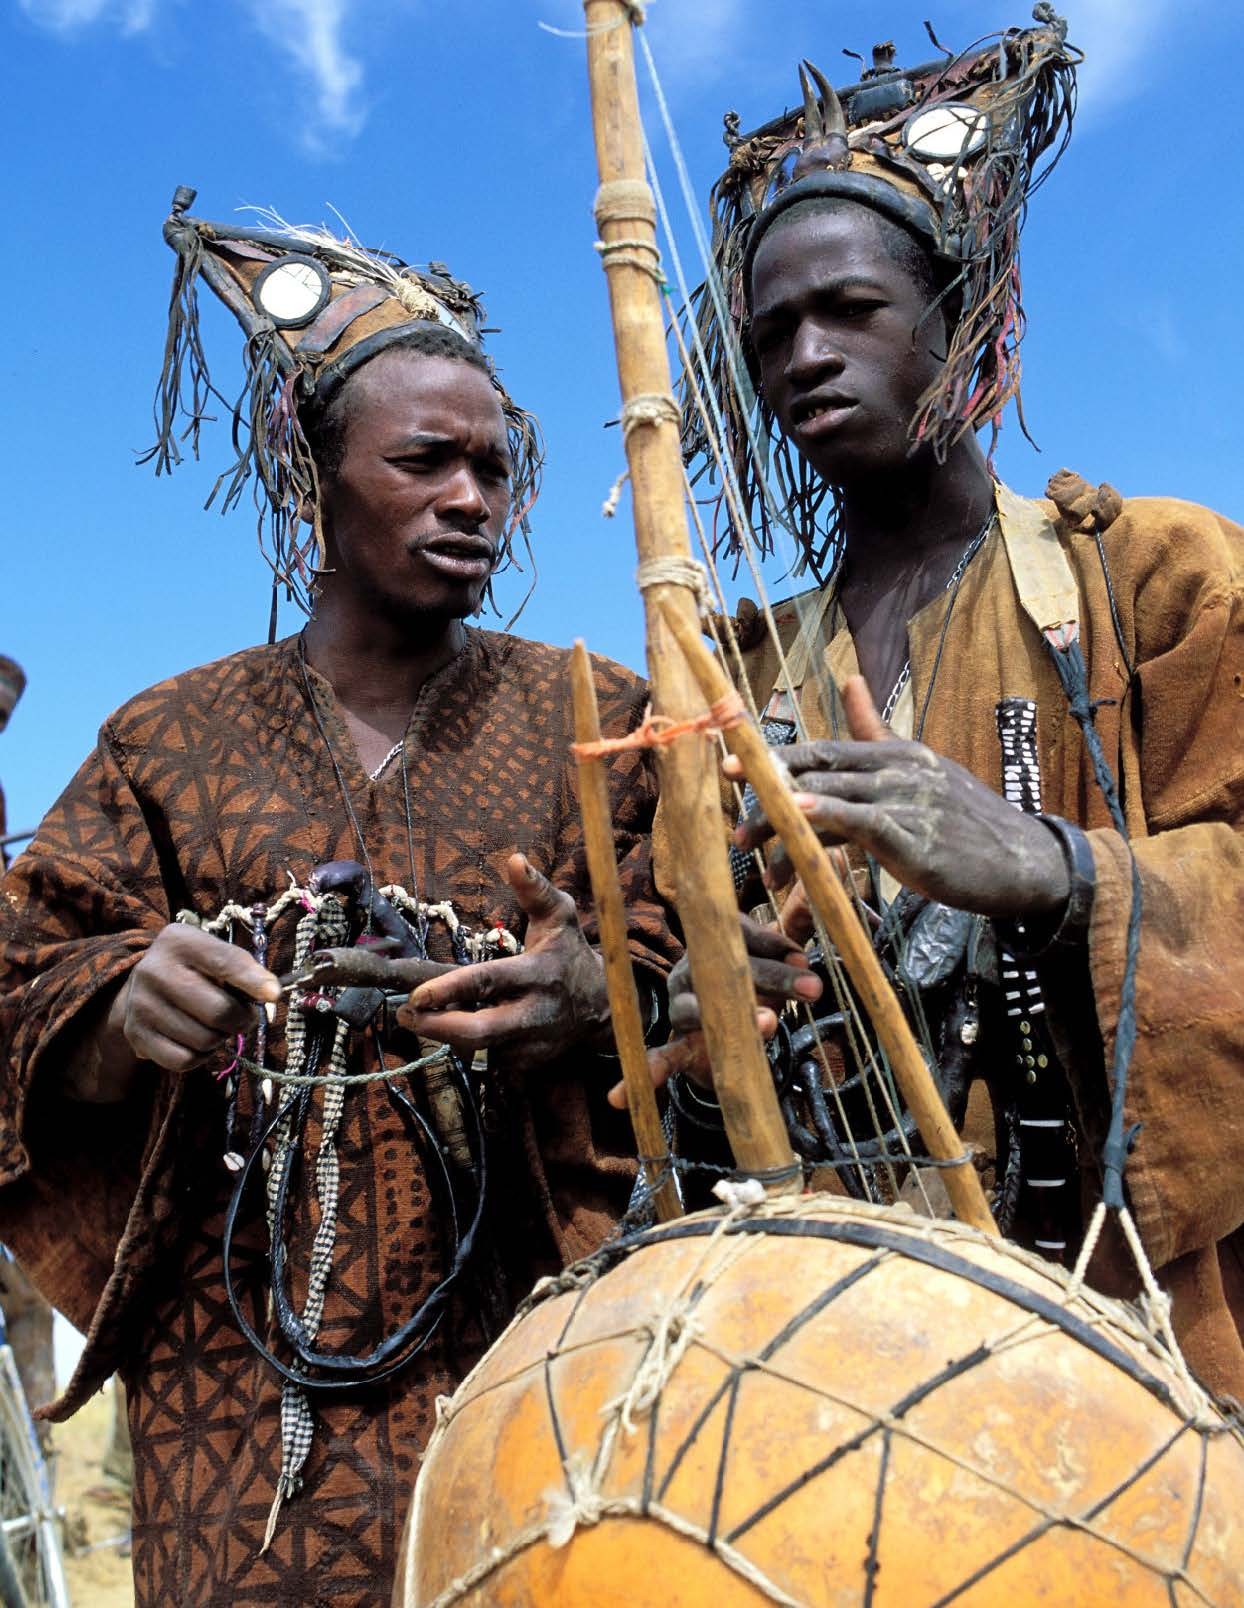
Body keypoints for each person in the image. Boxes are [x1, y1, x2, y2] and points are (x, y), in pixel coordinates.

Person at [0, 194, 676, 1605]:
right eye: (426, 461)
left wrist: (597, 992)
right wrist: (119, 1008)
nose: (472, 499)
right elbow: (22, 973)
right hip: (240, 1396)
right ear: (312, 480)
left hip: (549, 1350)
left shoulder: (598, 718)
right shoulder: (166, 741)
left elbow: (725, 965)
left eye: (495, 470)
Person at [655, 18, 1244, 1399]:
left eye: (850, 308)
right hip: (816, 1334)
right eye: (771, 333)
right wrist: (698, 1009)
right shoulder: (735, 678)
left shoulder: (1154, 576)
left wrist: (1055, 869)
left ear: (960, 309)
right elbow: (673, 960)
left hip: (1124, 1325)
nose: (805, 354)